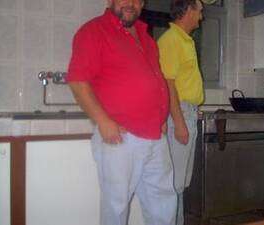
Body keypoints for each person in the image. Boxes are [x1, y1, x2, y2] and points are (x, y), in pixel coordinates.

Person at [66, 0, 177, 224]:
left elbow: (154, 80)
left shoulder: (146, 37)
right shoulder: (93, 31)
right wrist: (103, 121)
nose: (131, 3)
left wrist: (161, 116)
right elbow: (78, 81)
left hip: (155, 135)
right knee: (116, 207)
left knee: (163, 203)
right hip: (121, 136)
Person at [157, 0, 204, 224]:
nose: (201, 16)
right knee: (174, 182)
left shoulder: (186, 40)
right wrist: (179, 121)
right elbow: (168, 83)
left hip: (188, 112)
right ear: (188, 10)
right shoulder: (171, 40)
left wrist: (192, 112)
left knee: (181, 182)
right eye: (200, 10)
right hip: (180, 115)